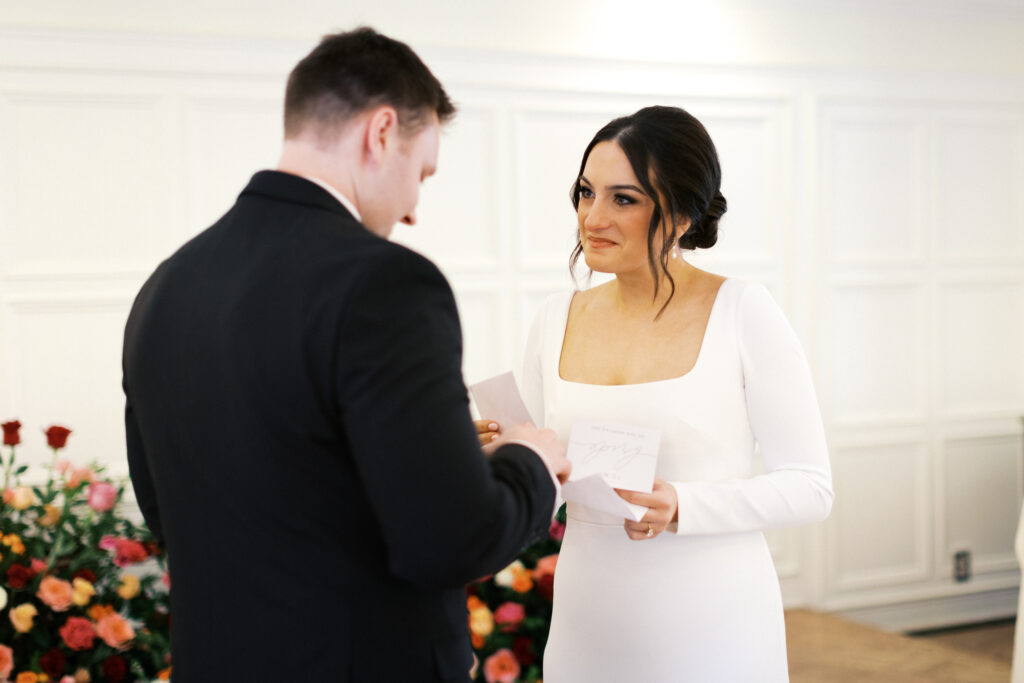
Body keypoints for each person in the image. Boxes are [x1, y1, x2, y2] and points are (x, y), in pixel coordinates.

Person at [122, 27, 569, 683]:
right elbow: (452, 540)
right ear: (381, 132)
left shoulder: (166, 285)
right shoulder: (388, 285)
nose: (414, 208)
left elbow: (169, 506)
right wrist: (532, 462)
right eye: (422, 173)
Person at [491, 105, 834, 681]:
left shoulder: (743, 312)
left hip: (712, 622)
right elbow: (542, 485)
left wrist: (683, 505)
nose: (593, 218)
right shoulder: (555, 319)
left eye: (623, 199)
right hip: (588, 624)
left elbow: (811, 487)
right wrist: (500, 457)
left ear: (678, 213)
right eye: (585, 192)